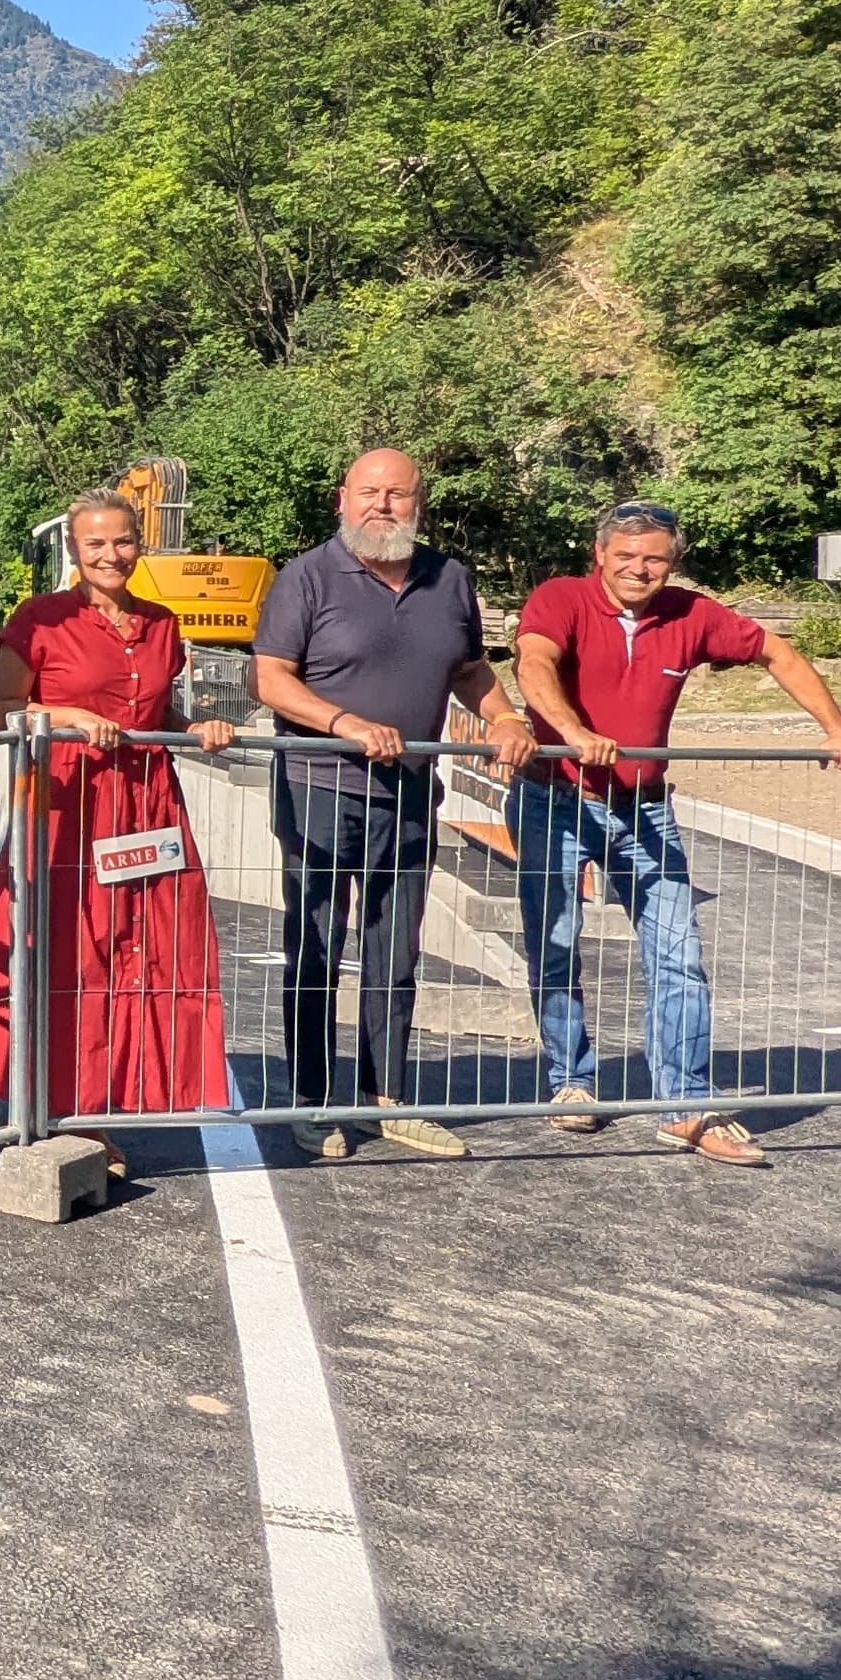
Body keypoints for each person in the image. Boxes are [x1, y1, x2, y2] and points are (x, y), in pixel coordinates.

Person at [510, 499, 841, 1168]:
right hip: (553, 799)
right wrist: (575, 733)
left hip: (645, 806)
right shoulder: (560, 598)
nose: (639, 569)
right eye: (625, 556)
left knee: (677, 953)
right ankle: (572, 1081)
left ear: (672, 564)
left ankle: (685, 1107)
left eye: (654, 559)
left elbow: (777, 653)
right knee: (554, 944)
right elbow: (532, 665)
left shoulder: (692, 614)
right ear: (600, 557)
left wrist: (837, 726)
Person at [248, 448, 540, 1160]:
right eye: (369, 492)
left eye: (398, 495)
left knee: (395, 952)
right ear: (342, 499)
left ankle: (388, 1098)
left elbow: (470, 670)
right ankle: (313, 1102)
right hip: (320, 789)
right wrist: (344, 724)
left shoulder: (450, 579)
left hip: (410, 793)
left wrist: (505, 717)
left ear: (419, 503)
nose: (383, 505)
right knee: (316, 947)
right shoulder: (307, 577)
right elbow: (272, 681)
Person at [0, 490, 239, 1168]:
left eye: (123, 541)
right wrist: (71, 716)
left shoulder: (165, 624)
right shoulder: (40, 619)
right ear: (74, 551)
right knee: (70, 954)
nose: (111, 555)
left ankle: (117, 1094)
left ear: (139, 543)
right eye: (95, 545)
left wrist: (196, 728)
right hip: (69, 808)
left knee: (147, 950)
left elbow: (158, 713)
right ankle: (59, 1105)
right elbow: (3, 709)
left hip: (146, 804)